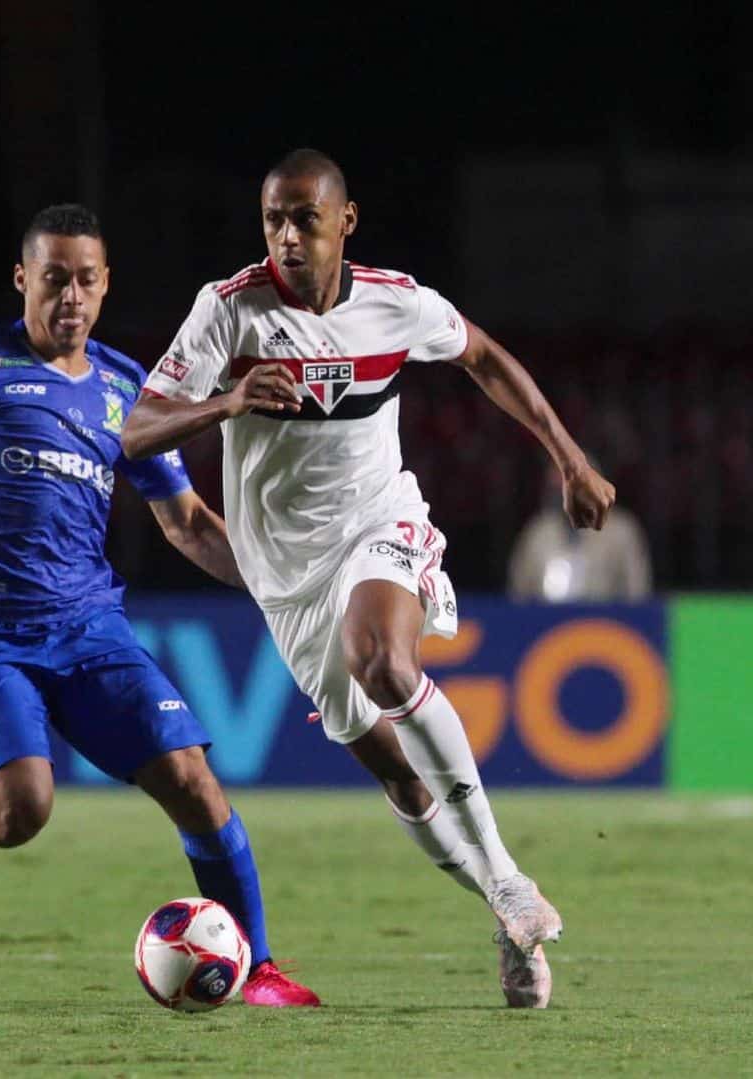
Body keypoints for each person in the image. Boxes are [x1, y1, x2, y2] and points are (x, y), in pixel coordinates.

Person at [122, 149, 617, 1009]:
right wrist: (228, 404)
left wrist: (570, 458)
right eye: (273, 218)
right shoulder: (229, 311)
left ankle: (503, 879)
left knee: (382, 660)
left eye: (304, 218)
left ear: (344, 222)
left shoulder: (395, 302)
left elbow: (486, 356)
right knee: (399, 777)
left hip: (377, 523)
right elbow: (135, 431)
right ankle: (506, 912)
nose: (286, 235)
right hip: (286, 577)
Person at [0, 203, 319, 1008]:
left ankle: (259, 968)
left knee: (192, 776)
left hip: (90, 629)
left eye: (86, 280)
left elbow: (187, 523)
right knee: (20, 810)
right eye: (54, 279)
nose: (70, 296)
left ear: (106, 283)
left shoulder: (124, 388)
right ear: (23, 279)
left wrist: (288, 592)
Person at [509, 457, 651, 601]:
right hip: (548, 620)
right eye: (558, 484)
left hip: (604, 620)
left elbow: (637, 591)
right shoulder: (538, 533)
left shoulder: (621, 532)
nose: (564, 490)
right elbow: (518, 593)